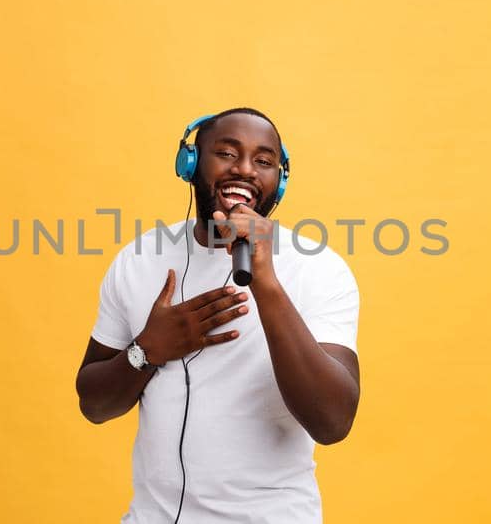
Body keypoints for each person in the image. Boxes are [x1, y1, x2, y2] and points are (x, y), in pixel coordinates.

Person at [75, 108, 362, 523]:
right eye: (226, 153)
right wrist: (148, 349)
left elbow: (332, 422)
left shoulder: (319, 268)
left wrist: (266, 283)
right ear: (189, 164)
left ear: (278, 181)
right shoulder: (138, 260)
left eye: (263, 161)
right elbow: (94, 405)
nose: (244, 170)